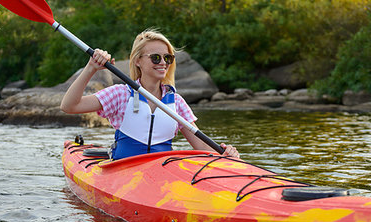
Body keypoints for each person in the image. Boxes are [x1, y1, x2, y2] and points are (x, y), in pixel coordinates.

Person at [60, 29, 240, 159]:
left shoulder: (176, 102)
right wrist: (91, 67)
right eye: (155, 57)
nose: (163, 62)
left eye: (167, 58)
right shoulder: (121, 94)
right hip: (122, 170)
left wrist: (226, 153)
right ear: (138, 61)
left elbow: (201, 145)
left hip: (161, 175)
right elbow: (69, 106)